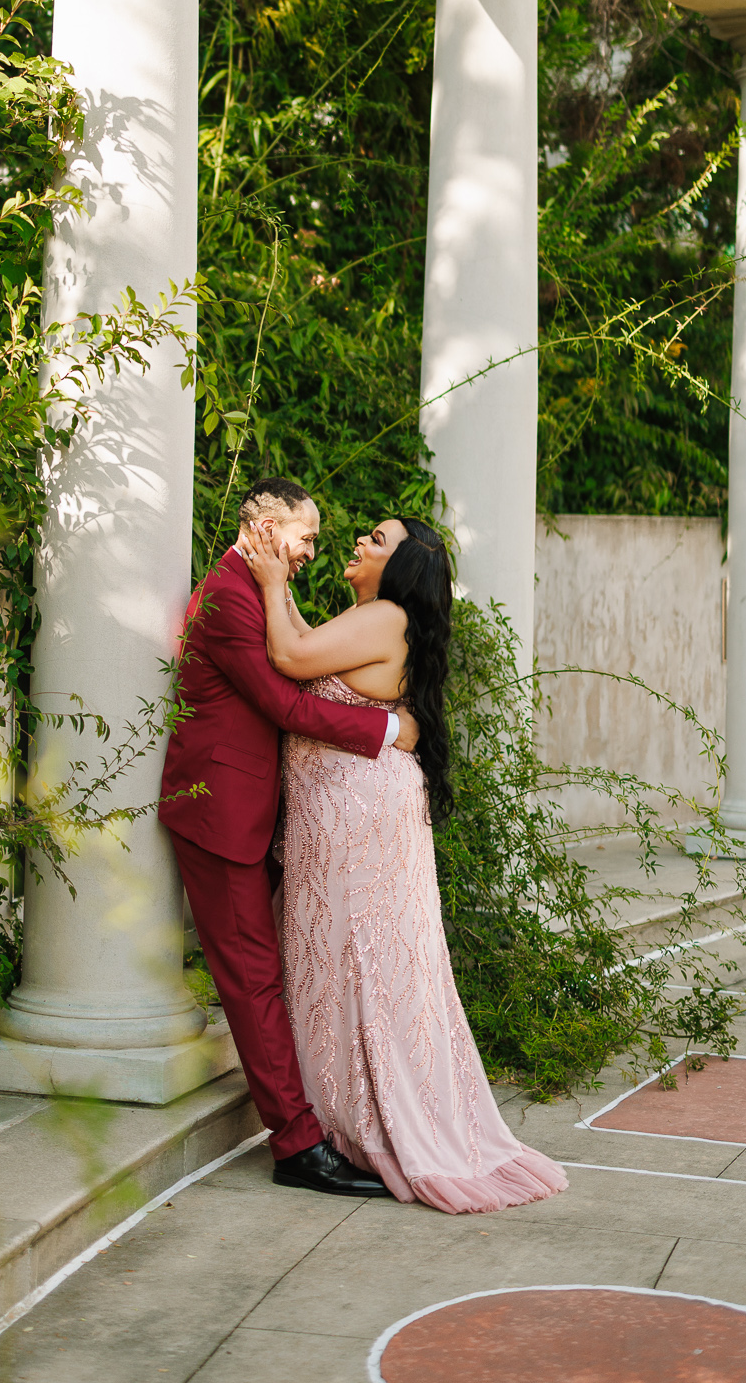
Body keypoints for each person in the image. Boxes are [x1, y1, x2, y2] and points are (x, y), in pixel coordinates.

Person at [239, 511, 568, 1214]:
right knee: (350, 961)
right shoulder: (372, 618)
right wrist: (279, 588)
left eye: (376, 539)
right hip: (348, 812)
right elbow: (298, 643)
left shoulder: (384, 616)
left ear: (401, 568)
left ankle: (365, 1119)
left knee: (357, 959)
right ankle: (351, 1117)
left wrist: (268, 579)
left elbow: (289, 661)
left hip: (355, 816)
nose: (360, 542)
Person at [160, 476, 420, 1197]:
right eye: (304, 536)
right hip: (219, 813)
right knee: (252, 979)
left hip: (255, 812)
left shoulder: (256, 586)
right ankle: (297, 1146)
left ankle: (319, 1124)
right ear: (268, 527)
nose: (311, 550)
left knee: (274, 974)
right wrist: (387, 730)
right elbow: (282, 701)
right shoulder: (228, 596)